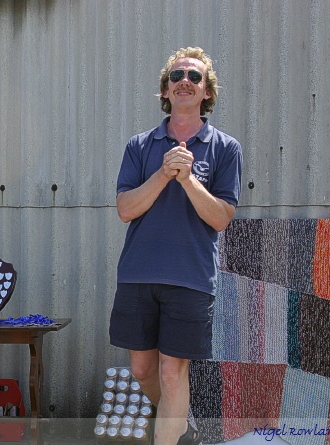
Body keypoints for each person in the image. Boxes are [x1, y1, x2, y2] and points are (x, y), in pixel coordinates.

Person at [109, 47, 242, 445]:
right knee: (142, 370)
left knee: (172, 371)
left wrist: (187, 178)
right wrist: (165, 174)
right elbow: (125, 208)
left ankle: (169, 433)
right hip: (138, 273)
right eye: (178, 75)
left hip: (191, 278)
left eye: (195, 77)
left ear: (206, 92)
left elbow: (220, 217)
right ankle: (179, 422)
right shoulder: (140, 145)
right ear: (166, 90)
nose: (186, 80)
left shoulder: (225, 148)